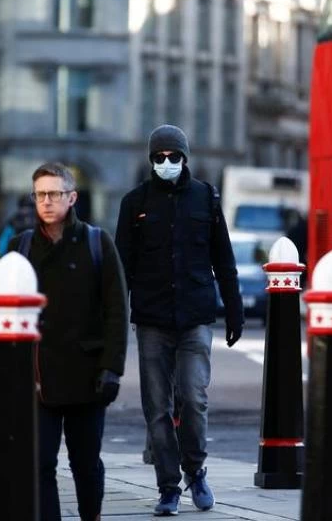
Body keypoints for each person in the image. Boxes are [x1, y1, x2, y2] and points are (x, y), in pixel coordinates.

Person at [114, 124, 244, 515]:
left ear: (185, 158)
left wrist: (234, 308)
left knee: (194, 397)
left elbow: (223, 258)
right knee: (156, 406)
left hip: (195, 316)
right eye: (159, 157)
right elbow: (122, 266)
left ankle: (196, 471)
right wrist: (116, 318)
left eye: (173, 157)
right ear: (150, 160)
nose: (166, 163)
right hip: (152, 318)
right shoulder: (134, 202)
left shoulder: (205, 198)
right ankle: (168, 486)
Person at [11, 162, 128, 521]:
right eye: (40, 194)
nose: (46, 202)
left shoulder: (97, 242)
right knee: (41, 463)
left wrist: (111, 367)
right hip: (38, 377)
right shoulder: (21, 246)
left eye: (54, 194)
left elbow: (116, 309)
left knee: (85, 463)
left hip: (87, 374)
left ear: (72, 197)